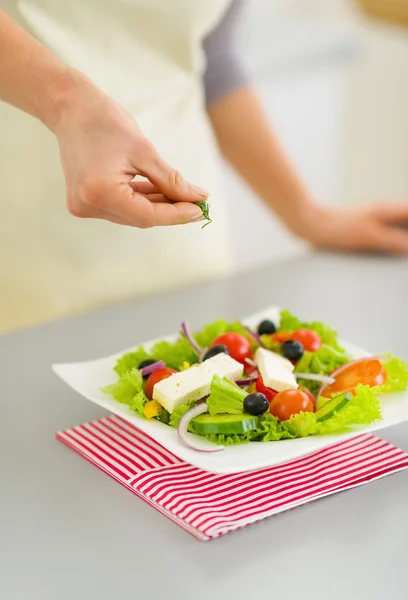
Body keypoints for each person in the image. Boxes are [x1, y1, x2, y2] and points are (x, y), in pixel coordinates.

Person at [1, 1, 408, 333]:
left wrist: (308, 215)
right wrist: (62, 99)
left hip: (183, 251)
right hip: (28, 236)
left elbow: (211, 58)